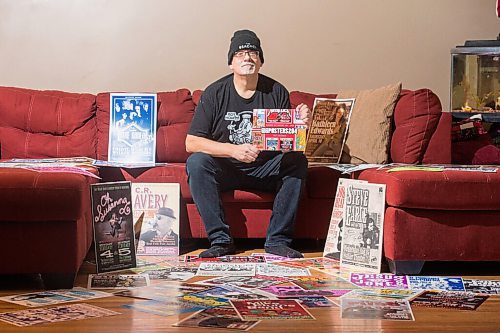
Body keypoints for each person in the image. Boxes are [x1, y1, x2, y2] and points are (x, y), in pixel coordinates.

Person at [185, 29, 311, 258]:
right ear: (231, 63)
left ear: (261, 61)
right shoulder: (214, 93)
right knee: (197, 162)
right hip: (227, 167)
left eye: (253, 52)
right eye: (240, 53)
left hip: (264, 165)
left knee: (297, 161)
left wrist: (301, 125)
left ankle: (278, 241)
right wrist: (233, 150)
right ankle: (220, 241)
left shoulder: (276, 91)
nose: (247, 57)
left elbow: (288, 144)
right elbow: (191, 142)